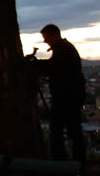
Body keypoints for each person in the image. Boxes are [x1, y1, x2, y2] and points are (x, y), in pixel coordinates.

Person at [36, 24, 87, 163]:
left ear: (53, 35)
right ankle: (77, 161)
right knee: (72, 130)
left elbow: (53, 69)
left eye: (46, 37)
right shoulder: (65, 48)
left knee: (59, 132)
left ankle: (61, 162)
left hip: (66, 98)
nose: (45, 41)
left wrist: (36, 65)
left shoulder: (62, 50)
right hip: (71, 96)